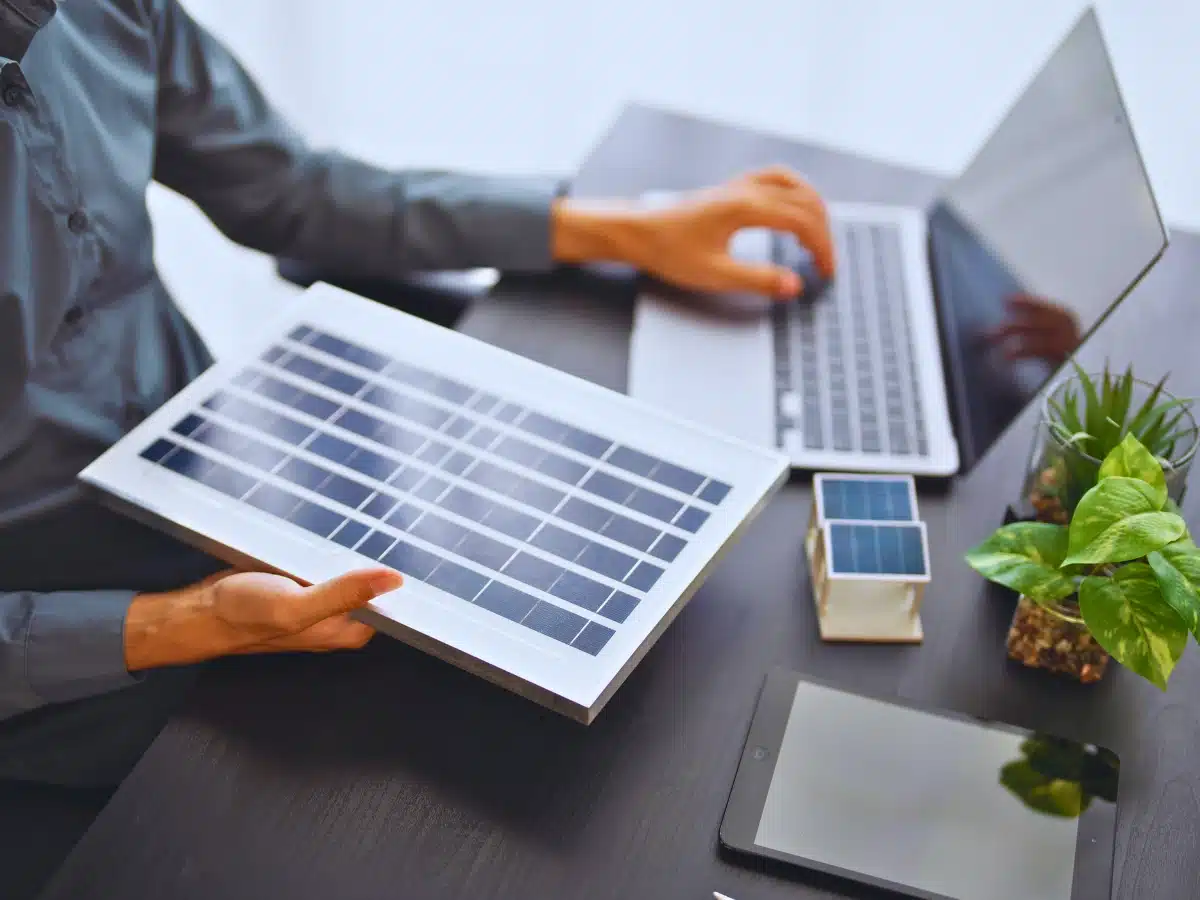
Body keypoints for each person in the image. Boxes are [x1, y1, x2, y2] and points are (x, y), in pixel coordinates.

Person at [0, 0, 835, 788]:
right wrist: (182, 622)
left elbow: (289, 192)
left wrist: (620, 228)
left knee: (678, 696)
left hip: (226, 481)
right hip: (79, 663)